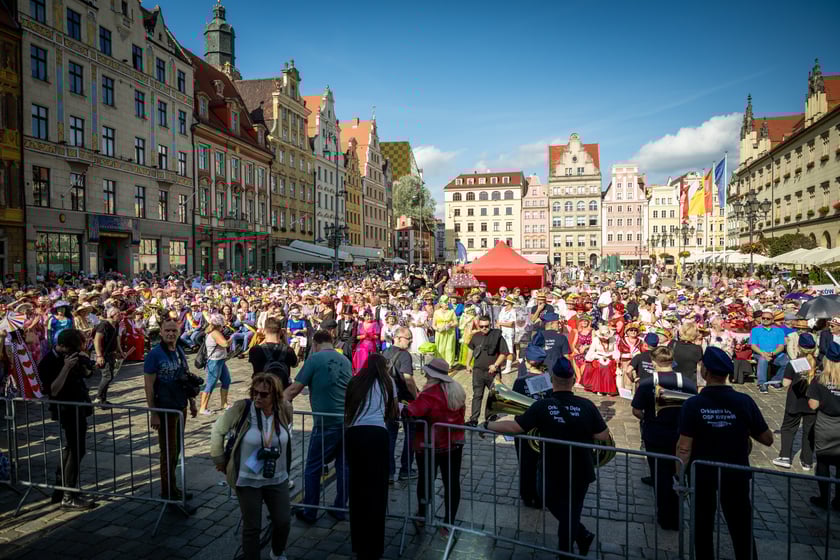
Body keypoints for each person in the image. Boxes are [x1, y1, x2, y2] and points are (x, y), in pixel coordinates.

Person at [484, 355, 609, 557]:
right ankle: (570, 546)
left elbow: (515, 427)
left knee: (548, 498)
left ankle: (576, 539)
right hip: (581, 467)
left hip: (553, 466)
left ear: (552, 380)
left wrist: (487, 425)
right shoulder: (587, 405)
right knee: (573, 509)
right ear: (574, 381)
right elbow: (603, 435)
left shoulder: (543, 406)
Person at [677, 347, 774, 560]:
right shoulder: (744, 402)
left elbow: (684, 446)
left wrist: (680, 475)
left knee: (702, 526)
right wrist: (741, 426)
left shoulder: (693, 404)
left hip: (702, 473)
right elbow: (767, 438)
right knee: (740, 527)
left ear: (706, 372)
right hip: (735, 472)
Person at [210, 374, 292, 560]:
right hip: (248, 478)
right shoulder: (242, 408)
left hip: (277, 476)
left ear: (275, 396)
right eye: (255, 392)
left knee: (283, 521)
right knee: (252, 526)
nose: (258, 397)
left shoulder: (284, 409)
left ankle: (277, 552)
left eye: (264, 394)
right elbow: (217, 430)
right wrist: (219, 459)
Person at [285, 330, 351, 523]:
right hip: (346, 420)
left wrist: (279, 400)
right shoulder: (345, 360)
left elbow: (295, 389)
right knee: (344, 466)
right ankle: (340, 507)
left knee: (313, 466)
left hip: (326, 422)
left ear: (315, 344)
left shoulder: (314, 359)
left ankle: (310, 510)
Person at [631, 346, 697, 530]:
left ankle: (665, 517)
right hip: (681, 435)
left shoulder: (646, 383)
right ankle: (678, 513)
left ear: (653, 362)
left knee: (660, 477)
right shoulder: (687, 382)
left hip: (656, 435)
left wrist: (649, 418)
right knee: (679, 475)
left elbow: (636, 410)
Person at [403, 358, 466, 538]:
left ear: (430, 374)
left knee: (426, 480)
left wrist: (402, 407)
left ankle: (422, 515)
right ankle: (448, 523)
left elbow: (412, 412)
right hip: (454, 444)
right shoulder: (456, 390)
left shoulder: (430, 394)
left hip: (430, 445)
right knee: (452, 482)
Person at [344, 354, 398, 560]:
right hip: (376, 434)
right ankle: (374, 546)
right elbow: (393, 411)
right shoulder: (387, 381)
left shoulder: (355, 381)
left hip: (355, 433)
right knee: (376, 491)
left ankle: (359, 544)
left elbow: (348, 409)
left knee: (357, 490)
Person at [39, 329, 95, 510]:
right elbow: (53, 390)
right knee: (75, 450)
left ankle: (61, 489)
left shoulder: (74, 355)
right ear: (62, 346)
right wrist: (66, 367)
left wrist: (85, 363)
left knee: (73, 449)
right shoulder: (48, 362)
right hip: (66, 410)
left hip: (79, 407)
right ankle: (69, 495)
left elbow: (87, 374)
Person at [143, 317, 198, 501]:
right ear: (161, 332)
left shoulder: (180, 351)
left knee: (177, 450)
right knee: (168, 451)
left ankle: (173, 487)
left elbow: (185, 379)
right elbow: (148, 386)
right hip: (165, 408)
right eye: (167, 330)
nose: (170, 333)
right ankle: (168, 491)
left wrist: (192, 402)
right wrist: (153, 413)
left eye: (174, 330)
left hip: (179, 406)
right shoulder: (154, 354)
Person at [772, 333, 817, 470]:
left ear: (799, 347)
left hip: (795, 400)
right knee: (809, 431)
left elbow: (786, 383)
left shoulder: (794, 363)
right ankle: (807, 461)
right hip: (812, 402)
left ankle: (785, 457)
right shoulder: (818, 363)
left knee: (788, 428)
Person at [806, 341, 840, 509]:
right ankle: (839, 500)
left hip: (825, 423)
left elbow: (813, 405)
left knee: (823, 462)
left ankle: (824, 497)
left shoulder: (820, 380)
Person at [383, 327, 418, 482]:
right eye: (407, 338)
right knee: (411, 433)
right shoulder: (405, 355)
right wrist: (416, 398)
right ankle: (405, 469)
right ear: (397, 338)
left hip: (389, 399)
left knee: (390, 435)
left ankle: (389, 472)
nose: (410, 341)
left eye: (410, 338)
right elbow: (408, 379)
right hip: (404, 400)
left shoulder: (385, 352)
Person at [466, 315, 509, 426]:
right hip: (478, 371)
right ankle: (473, 420)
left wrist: (495, 365)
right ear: (478, 326)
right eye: (481, 326)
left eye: (487, 326)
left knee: (493, 395)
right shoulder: (475, 336)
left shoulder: (497, 336)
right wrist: (467, 364)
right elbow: (471, 350)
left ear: (490, 325)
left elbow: (504, 353)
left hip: (492, 372)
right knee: (477, 395)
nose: (484, 328)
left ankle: (489, 419)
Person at [249, 317, 297, 389]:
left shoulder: (255, 350)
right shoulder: (288, 350)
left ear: (264, 331)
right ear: (280, 332)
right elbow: (295, 364)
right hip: (282, 390)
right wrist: (285, 341)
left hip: (262, 391)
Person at [200, 313, 233, 415]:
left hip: (220, 360)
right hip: (214, 362)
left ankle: (224, 404)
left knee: (226, 380)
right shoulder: (215, 333)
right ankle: (203, 408)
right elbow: (225, 344)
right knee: (210, 384)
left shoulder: (213, 331)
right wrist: (232, 339)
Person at [93, 307, 125, 405]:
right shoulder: (103, 325)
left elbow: (116, 339)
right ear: (111, 315)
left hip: (111, 354)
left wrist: (120, 351)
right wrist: (99, 356)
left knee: (109, 376)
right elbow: (97, 340)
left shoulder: (116, 325)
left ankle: (103, 400)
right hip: (103, 354)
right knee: (107, 376)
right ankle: (98, 398)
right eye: (118, 315)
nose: (120, 317)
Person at [750, 309, 787, 393]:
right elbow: (753, 346)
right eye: (763, 318)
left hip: (776, 353)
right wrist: (763, 353)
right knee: (763, 360)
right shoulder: (755, 330)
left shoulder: (779, 330)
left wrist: (772, 353)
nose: (765, 320)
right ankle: (762, 383)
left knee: (787, 362)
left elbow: (781, 346)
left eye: (768, 318)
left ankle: (775, 380)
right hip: (760, 353)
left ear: (773, 320)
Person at [671, 321, 703, 385]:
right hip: (689, 383)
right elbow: (699, 369)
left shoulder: (672, 344)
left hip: (673, 380)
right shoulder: (697, 349)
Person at [352, 309, 380, 374]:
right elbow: (357, 337)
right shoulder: (360, 325)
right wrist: (364, 336)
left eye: (370, 316)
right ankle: (359, 370)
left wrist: (370, 335)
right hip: (362, 343)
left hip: (371, 343)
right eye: (367, 316)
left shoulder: (375, 324)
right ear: (364, 317)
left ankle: (366, 371)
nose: (369, 317)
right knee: (359, 350)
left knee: (365, 350)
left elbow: (377, 336)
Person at [432, 296, 458, 366]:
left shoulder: (451, 312)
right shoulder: (436, 312)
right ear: (441, 304)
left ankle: (449, 365)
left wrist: (450, 325)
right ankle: (440, 364)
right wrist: (438, 329)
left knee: (449, 349)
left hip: (450, 333)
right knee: (440, 349)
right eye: (445, 302)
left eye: (447, 302)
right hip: (440, 333)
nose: (447, 303)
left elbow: (456, 322)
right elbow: (433, 325)